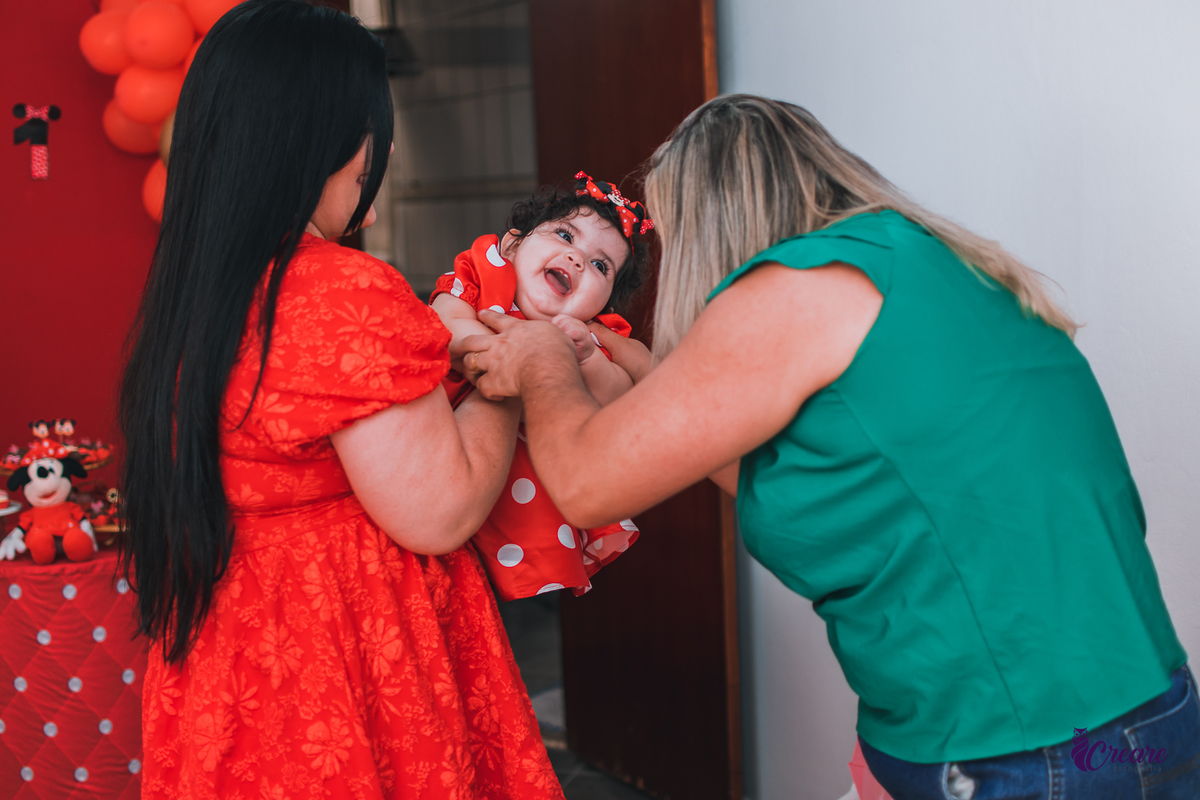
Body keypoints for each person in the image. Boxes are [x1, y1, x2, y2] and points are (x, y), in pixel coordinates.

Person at [459, 94, 1200, 799]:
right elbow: (742, 453)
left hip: (1015, 748)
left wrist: (541, 361)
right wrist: (625, 362)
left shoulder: (791, 291)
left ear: (708, 220)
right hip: (1141, 712)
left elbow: (586, 485)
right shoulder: (929, 263)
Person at [118, 3, 562, 797]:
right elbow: (440, 509)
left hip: (233, 647)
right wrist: (513, 366)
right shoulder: (335, 285)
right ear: (333, 138)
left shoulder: (200, 284)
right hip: (338, 651)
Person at [429, 173, 653, 600]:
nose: (577, 259)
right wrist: (492, 349)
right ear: (513, 244)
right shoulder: (482, 273)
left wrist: (586, 359)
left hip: (522, 508)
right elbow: (446, 324)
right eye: (565, 235)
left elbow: (619, 399)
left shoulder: (588, 335)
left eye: (600, 265)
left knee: (477, 596)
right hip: (450, 463)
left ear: (601, 304)